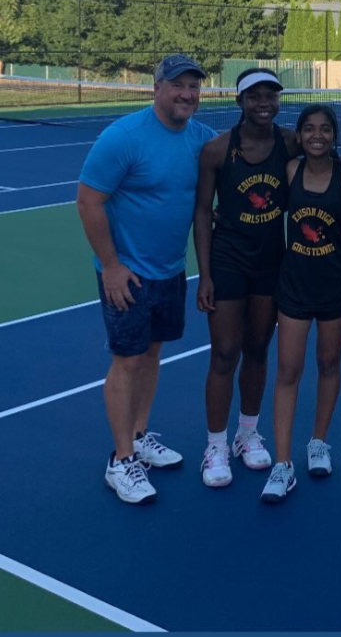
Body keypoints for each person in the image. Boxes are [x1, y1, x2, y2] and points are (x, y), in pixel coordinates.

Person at [77, 53, 216, 504]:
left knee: (152, 354)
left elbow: (249, 147)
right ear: (156, 88)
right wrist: (112, 266)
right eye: (178, 85)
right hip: (127, 274)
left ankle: (138, 435)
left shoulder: (201, 139)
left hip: (171, 270)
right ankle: (121, 461)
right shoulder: (124, 138)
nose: (187, 94)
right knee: (128, 360)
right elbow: (88, 201)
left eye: (194, 86)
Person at [193, 68, 297, 487]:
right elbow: (202, 211)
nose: (264, 103)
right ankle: (215, 445)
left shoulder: (291, 143)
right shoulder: (218, 151)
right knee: (224, 353)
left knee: (258, 349)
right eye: (255, 96)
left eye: (271, 96)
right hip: (229, 261)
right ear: (240, 102)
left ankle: (248, 435)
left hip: (272, 264)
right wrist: (204, 275)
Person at [260, 104, 341, 503]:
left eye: (325, 129)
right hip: (294, 284)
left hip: (336, 283)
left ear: (334, 136)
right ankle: (282, 465)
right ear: (298, 136)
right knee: (288, 370)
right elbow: (259, 205)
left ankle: (319, 442)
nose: (318, 135)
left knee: (329, 363)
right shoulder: (290, 172)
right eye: (309, 129)